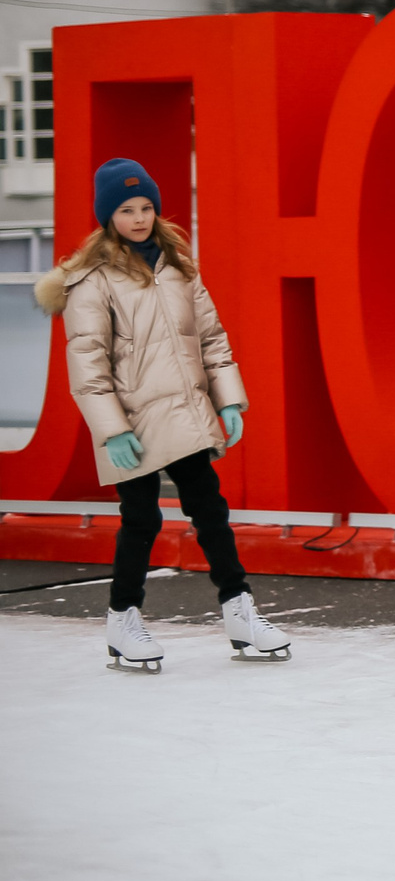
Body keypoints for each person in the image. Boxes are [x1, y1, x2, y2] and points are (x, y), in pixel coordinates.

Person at [40, 158, 291, 668]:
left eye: (147, 207)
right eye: (127, 209)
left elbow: (212, 340)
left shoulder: (178, 268)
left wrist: (229, 399)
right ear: (108, 216)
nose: (138, 217)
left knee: (211, 512)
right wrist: (111, 430)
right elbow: (87, 365)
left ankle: (239, 611)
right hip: (131, 421)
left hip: (185, 412)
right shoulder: (92, 280)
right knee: (141, 519)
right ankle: (123, 621)